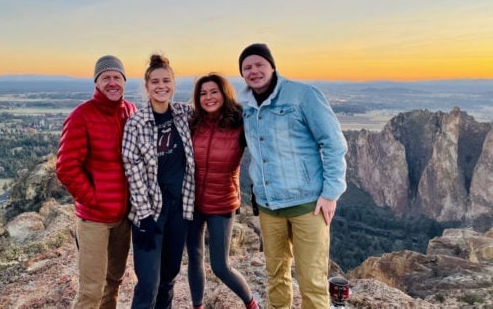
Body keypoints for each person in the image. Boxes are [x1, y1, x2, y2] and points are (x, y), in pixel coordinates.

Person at [237, 43, 347, 309]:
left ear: (272, 65)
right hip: (268, 206)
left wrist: (331, 194)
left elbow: (333, 143)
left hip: (307, 205)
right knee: (276, 276)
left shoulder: (303, 95)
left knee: (312, 281)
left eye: (259, 64)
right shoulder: (246, 105)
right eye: (247, 67)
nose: (254, 71)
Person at [55, 55, 137, 309]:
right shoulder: (82, 116)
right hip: (94, 220)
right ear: (97, 82)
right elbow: (66, 167)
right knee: (91, 289)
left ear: (124, 81)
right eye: (106, 78)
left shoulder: (131, 112)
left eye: (117, 77)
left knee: (114, 281)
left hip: (123, 218)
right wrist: (95, 199)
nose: (112, 82)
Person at [122, 54, 195, 309]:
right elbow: (132, 170)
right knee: (148, 284)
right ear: (147, 86)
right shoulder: (137, 123)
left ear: (173, 84)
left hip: (179, 210)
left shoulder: (185, 115)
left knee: (168, 279)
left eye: (166, 80)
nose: (161, 86)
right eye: (155, 81)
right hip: (150, 213)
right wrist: (143, 217)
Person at [186, 73, 260, 309]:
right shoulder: (193, 122)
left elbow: (266, 145)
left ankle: (251, 304)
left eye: (213, 92)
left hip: (222, 202)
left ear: (224, 93)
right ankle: (197, 305)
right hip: (192, 202)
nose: (208, 97)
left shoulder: (239, 122)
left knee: (220, 266)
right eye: (203, 93)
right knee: (194, 258)